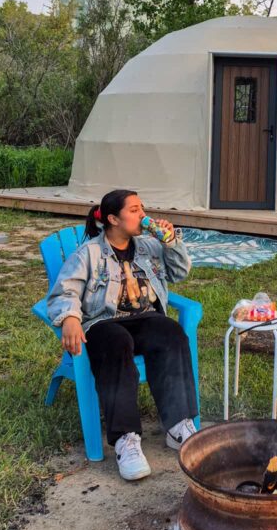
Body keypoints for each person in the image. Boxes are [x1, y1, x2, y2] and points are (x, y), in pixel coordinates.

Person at [46, 189, 199, 481]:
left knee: (171, 333)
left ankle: (178, 425)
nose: (143, 215)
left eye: (142, 208)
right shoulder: (89, 253)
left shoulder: (148, 247)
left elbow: (179, 273)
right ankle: (126, 439)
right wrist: (69, 318)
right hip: (103, 322)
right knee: (117, 342)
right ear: (113, 219)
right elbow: (64, 291)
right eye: (134, 210)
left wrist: (172, 243)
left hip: (144, 318)